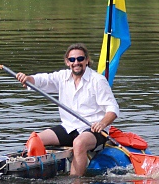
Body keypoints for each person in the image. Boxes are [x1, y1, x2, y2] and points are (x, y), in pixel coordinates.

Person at [15, 43, 120, 176]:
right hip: (69, 127)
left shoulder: (98, 80)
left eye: (80, 59)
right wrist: (28, 79)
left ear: (87, 60)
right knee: (34, 139)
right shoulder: (62, 77)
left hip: (93, 129)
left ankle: (76, 183)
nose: (76, 62)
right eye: (72, 60)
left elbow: (113, 109)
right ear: (67, 62)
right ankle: (39, 174)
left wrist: (102, 123)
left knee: (79, 143)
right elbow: (42, 80)